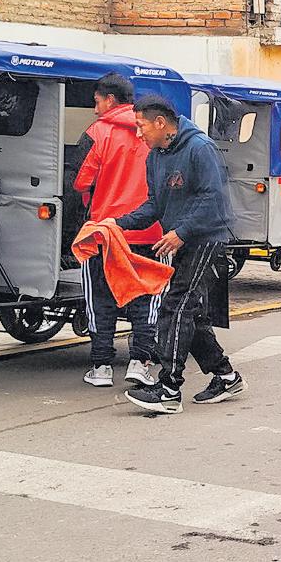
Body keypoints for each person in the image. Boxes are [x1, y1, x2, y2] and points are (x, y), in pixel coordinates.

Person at [114, 95, 244, 415]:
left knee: (176, 306)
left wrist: (181, 232)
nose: (138, 134)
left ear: (160, 123)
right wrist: (116, 225)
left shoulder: (200, 148)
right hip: (181, 240)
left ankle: (169, 388)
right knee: (191, 313)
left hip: (207, 238)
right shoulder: (155, 157)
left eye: (141, 126)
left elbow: (212, 199)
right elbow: (154, 206)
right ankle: (226, 376)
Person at [71, 72, 162, 389]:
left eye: (97, 101)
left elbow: (80, 181)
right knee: (144, 299)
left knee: (100, 299)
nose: (95, 108)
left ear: (110, 100)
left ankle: (101, 368)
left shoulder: (98, 132)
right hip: (149, 233)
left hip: (105, 234)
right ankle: (140, 363)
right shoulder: (151, 132)